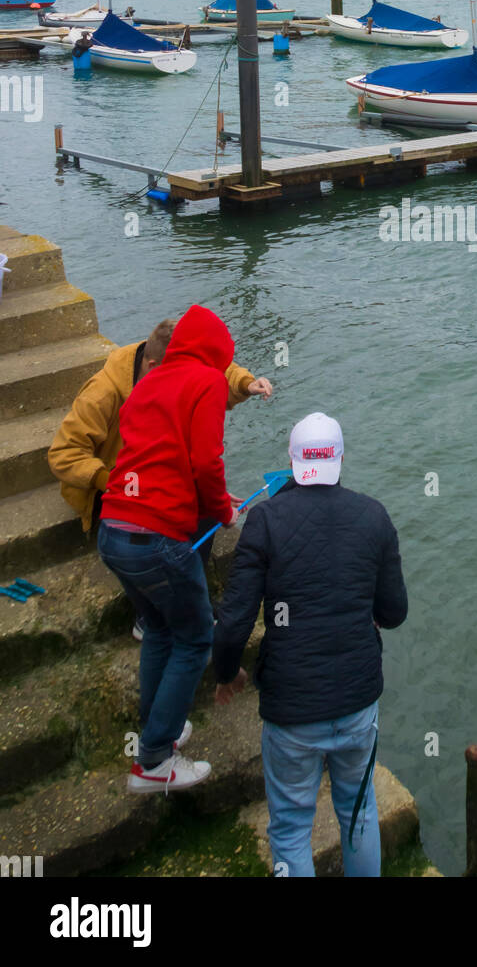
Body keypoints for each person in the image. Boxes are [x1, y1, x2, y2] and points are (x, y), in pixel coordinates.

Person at [212, 412, 408, 877]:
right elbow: (394, 612)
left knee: (292, 826)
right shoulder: (374, 516)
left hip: (291, 710)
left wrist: (227, 673)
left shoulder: (263, 521)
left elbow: (233, 620)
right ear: (340, 460)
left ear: (294, 463)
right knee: (359, 814)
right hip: (358, 702)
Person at [97, 305, 241, 793]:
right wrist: (223, 510)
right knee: (197, 638)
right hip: (157, 538)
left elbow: (157, 459)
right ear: (218, 353)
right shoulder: (208, 382)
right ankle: (155, 761)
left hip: (114, 529)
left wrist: (208, 498)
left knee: (158, 629)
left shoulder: (148, 384)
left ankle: (161, 730)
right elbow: (205, 461)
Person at [48, 317, 271, 537]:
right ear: (155, 366)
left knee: (205, 499)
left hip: (151, 472)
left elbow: (214, 367)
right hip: (111, 486)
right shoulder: (100, 395)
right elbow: (64, 454)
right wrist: (115, 483)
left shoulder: (163, 367)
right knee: (199, 512)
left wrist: (245, 384)